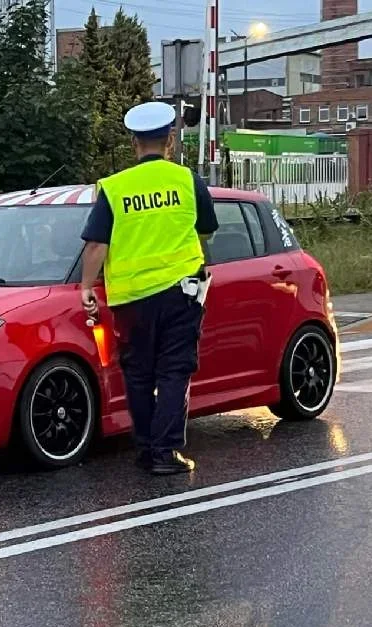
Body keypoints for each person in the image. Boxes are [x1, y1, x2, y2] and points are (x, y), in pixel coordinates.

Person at [79, 101, 219, 476]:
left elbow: (96, 245)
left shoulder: (115, 187)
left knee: (138, 375)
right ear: (170, 140)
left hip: (131, 300)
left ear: (133, 143)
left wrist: (87, 287)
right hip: (180, 292)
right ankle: (165, 451)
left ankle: (144, 447)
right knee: (174, 371)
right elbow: (206, 230)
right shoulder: (188, 181)